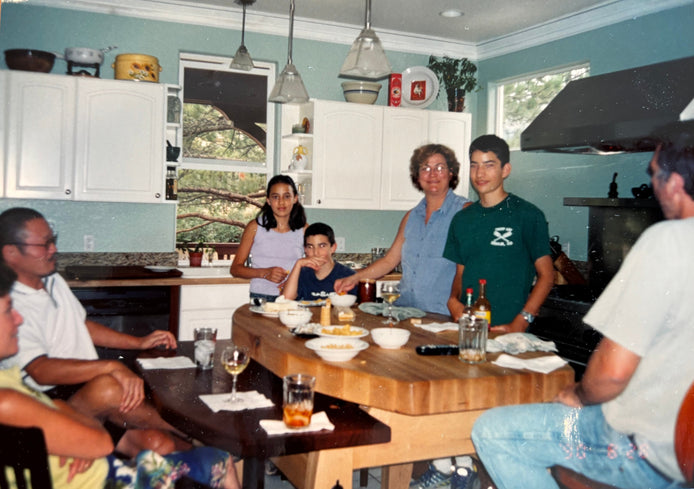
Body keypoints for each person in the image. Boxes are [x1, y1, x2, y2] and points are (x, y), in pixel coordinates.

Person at [471, 131, 694, 489]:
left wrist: (576, 395)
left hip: (645, 448)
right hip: (685, 452)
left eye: (654, 174)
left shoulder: (667, 239)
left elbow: (612, 374)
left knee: (494, 432)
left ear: (676, 183)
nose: (652, 184)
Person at [0, 263, 241, 489]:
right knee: (221, 460)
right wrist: (81, 441)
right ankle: (208, 436)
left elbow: (54, 409)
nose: (19, 318)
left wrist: (73, 437)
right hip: (101, 481)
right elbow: (100, 442)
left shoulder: (8, 376)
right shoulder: (6, 399)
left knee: (160, 446)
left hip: (85, 469)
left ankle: (202, 435)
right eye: (9, 311)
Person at [0, 207, 186, 458]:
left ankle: (199, 443)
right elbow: (41, 371)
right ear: (10, 252)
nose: (53, 249)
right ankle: (196, 432)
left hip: (84, 392)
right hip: (46, 401)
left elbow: (81, 325)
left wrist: (139, 342)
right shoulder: (8, 304)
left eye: (52, 241)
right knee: (109, 387)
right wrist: (109, 366)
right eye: (44, 244)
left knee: (159, 444)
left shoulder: (52, 280)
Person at [335, 144, 470, 315]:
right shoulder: (411, 217)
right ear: (417, 176)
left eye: (440, 167)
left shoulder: (464, 212)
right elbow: (389, 261)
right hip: (406, 312)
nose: (433, 174)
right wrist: (353, 278)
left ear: (451, 173)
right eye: (425, 168)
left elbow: (470, 269)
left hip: (444, 316)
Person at [444, 134, 554, 333]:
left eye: (489, 165)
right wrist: (452, 300)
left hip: (509, 329)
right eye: (474, 165)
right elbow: (460, 273)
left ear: (506, 170)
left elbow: (547, 276)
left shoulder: (528, 215)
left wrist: (521, 322)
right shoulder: (461, 219)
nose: (480, 174)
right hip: (468, 329)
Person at [230, 174, 307, 302]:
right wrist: (265, 273)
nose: (281, 202)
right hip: (261, 298)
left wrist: (293, 282)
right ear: (268, 200)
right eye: (275, 197)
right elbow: (235, 269)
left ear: (295, 199)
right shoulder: (254, 227)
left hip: (293, 298)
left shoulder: (304, 230)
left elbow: (314, 266)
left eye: (287, 196)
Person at [282, 222, 355, 301]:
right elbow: (285, 300)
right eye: (310, 247)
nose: (316, 253)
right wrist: (298, 264)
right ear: (305, 249)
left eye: (322, 246)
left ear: (333, 248)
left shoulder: (348, 276)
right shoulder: (302, 274)